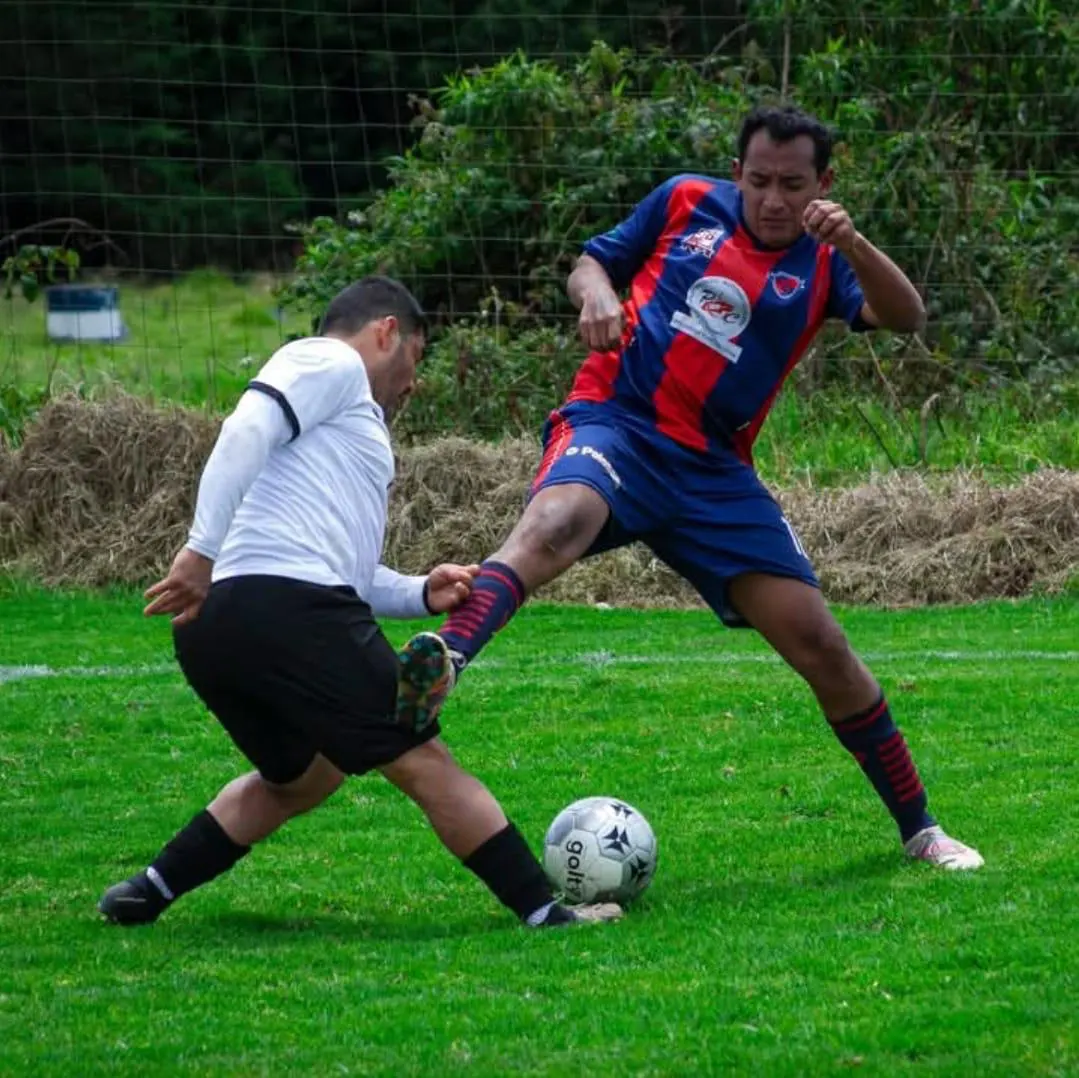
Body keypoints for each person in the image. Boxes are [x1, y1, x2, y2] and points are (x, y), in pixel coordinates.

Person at [395, 106, 984, 871]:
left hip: (711, 472)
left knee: (821, 645)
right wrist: (595, 293)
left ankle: (920, 830)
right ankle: (445, 661)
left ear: (823, 184)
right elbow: (588, 261)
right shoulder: (683, 201)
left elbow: (905, 317)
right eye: (759, 180)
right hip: (616, 421)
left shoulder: (827, 259)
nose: (772, 199)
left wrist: (852, 242)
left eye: (792, 185)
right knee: (554, 523)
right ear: (736, 171)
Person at [97, 276, 622, 929]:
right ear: (385, 333)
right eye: (416, 358)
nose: (414, 381)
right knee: (425, 760)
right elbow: (245, 427)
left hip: (217, 627)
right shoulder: (328, 360)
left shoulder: (348, 427)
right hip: (284, 608)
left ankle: (146, 890)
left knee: (304, 778)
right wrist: (198, 549)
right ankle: (546, 912)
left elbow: (343, 570)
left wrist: (419, 592)